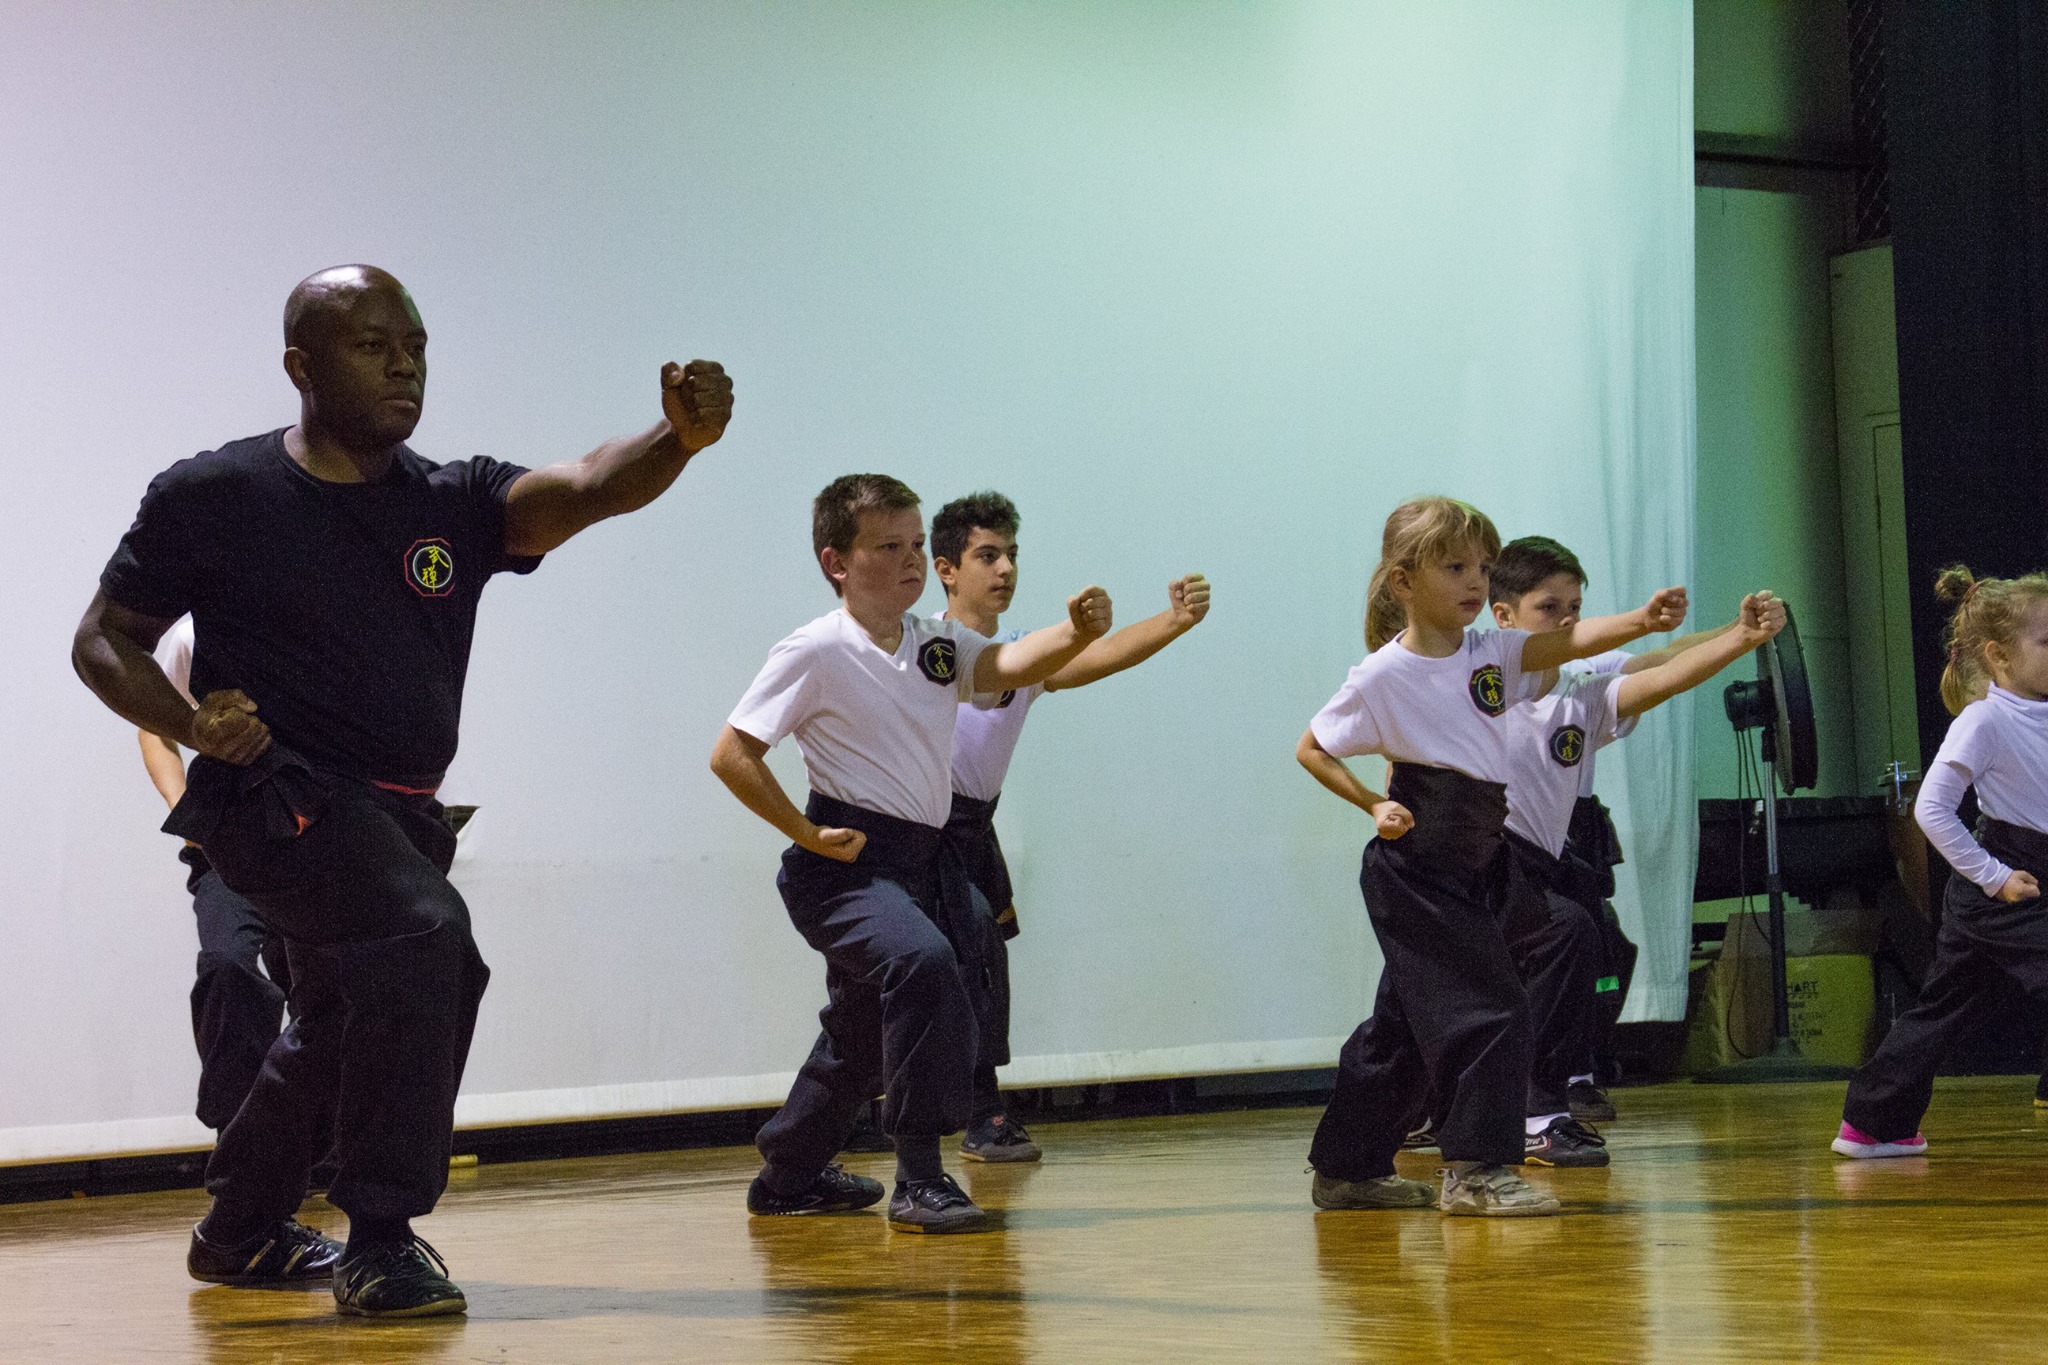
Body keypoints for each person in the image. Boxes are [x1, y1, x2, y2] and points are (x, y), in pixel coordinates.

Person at [73, 264, 733, 1316]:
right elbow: (104, 640)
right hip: (276, 801)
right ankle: (381, 1234)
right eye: (372, 343)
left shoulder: (451, 501)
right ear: (301, 365)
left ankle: (238, 1228)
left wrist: (674, 443)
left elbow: (586, 485)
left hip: (401, 815)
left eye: (416, 345)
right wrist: (186, 719)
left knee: (342, 1014)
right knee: (428, 944)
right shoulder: (217, 497)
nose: (402, 363)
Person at [710, 475, 1112, 1234]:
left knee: (861, 1030)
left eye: (917, 544)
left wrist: (1076, 632)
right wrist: (803, 831)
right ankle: (921, 1176)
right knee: (925, 963)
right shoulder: (815, 650)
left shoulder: (934, 642)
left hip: (920, 863)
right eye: (887, 546)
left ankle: (788, 1170)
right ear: (837, 561)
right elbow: (732, 754)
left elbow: (1006, 667)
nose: (911, 559)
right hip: (844, 865)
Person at [1295, 496, 1685, 1217]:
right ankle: (1474, 1169)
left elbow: (1566, 643)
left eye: (1481, 567)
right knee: (1495, 1004)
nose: (1475, 581)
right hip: (1418, 864)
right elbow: (1312, 747)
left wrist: (1643, 621)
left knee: (1403, 1025)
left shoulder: (1491, 653)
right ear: (1403, 581)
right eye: (1455, 567)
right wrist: (1371, 804)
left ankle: (1346, 1169)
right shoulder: (1382, 674)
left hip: (1480, 853)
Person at [928, 490, 1212, 1162]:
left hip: (972, 832)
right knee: (961, 956)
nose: (1004, 569)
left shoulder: (1022, 658)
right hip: (919, 833)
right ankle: (959, 1111)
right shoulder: (925, 648)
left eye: (1012, 555)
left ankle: (979, 1107)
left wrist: (1173, 621)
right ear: (946, 568)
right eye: (986, 555)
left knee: (978, 968)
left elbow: (1098, 655)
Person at [1487, 539, 1786, 1167]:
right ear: (1504, 616)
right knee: (1549, 943)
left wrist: (1739, 636)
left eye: (1576, 607)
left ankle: (1547, 1093)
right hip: (1468, 856)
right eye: (1550, 608)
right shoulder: (1479, 682)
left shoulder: (1582, 689)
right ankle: (1513, 1106)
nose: (1567, 621)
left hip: (1551, 846)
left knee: (1587, 944)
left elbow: (1666, 670)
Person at [1834, 566, 2048, 1159]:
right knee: (1945, 1005)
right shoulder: (1984, 719)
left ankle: (1875, 1125)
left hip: (2026, 877)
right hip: (2005, 884)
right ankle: (1875, 1121)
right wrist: (1995, 877)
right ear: (1998, 655)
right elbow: (1931, 810)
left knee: (1945, 1006)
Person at [137, 614, 295, 1136]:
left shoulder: (327, 618)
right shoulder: (195, 634)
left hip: (317, 837)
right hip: (227, 840)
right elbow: (155, 725)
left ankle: (317, 1145)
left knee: (322, 986)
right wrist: (181, 804)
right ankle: (240, 1136)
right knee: (228, 965)